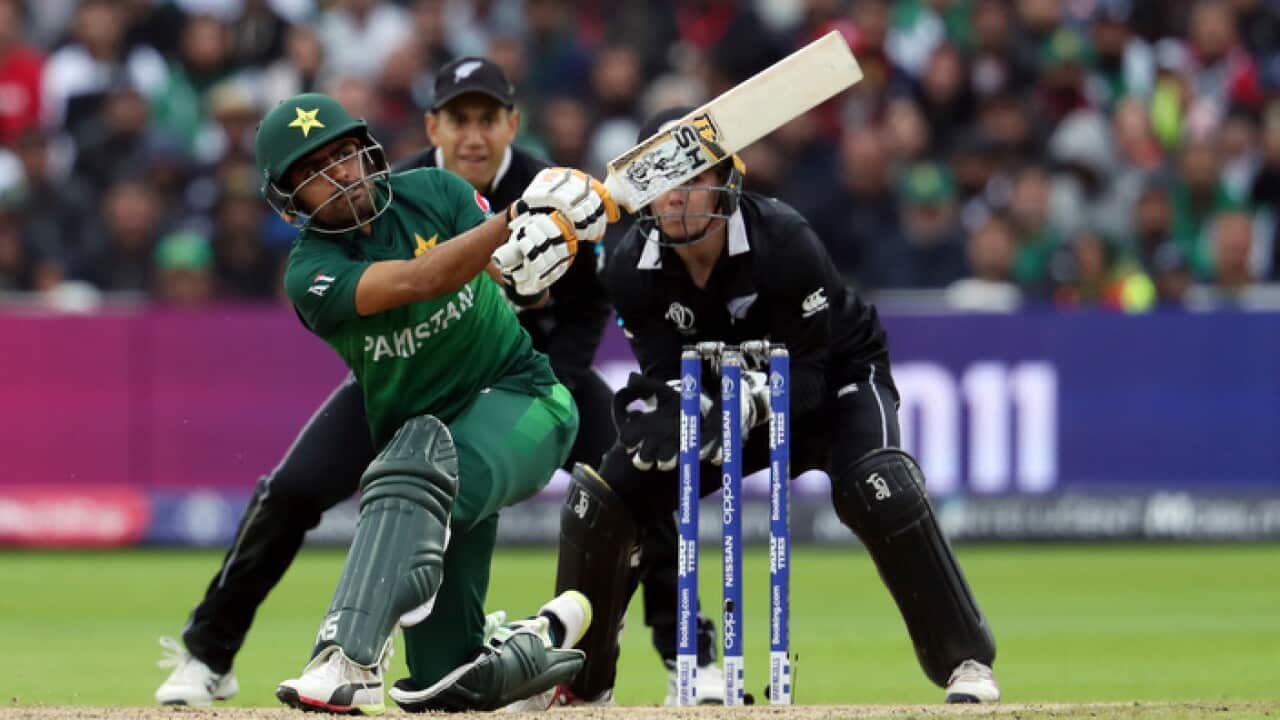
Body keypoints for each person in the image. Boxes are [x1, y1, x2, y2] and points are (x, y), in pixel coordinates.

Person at [154, 57, 721, 709]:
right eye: (313, 172)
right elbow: (424, 278)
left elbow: (551, 288)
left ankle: (689, 654)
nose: (338, 176)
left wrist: (554, 241)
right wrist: (517, 222)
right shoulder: (314, 267)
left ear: (511, 124)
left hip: (523, 375)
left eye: (341, 157)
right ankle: (215, 653)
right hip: (408, 388)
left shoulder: (468, 189)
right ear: (434, 127)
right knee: (317, 502)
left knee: (633, 486)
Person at [549, 107, 1002, 706]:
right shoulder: (632, 267)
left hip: (833, 386)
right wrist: (682, 406)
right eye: (662, 184)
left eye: (692, 179)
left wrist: (753, 399)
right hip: (730, 403)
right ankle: (581, 684)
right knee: (608, 496)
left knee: (879, 485)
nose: (677, 198)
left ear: (724, 180)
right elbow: (667, 374)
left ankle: (966, 660)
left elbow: (811, 371)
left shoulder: (784, 239)